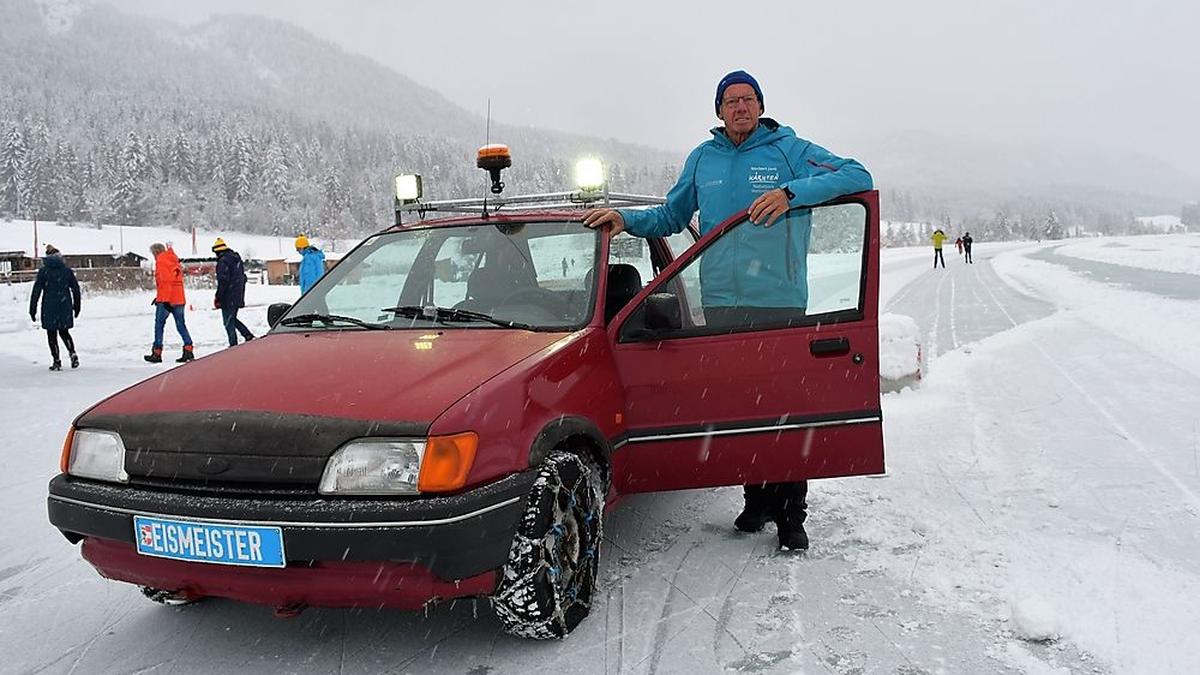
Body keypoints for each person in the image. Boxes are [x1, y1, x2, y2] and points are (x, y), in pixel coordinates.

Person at [584, 69, 873, 551]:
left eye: (749, 99)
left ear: (761, 106)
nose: (741, 107)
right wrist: (626, 220)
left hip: (779, 300)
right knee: (738, 405)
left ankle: (791, 514)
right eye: (731, 101)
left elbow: (857, 175)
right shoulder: (704, 159)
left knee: (783, 408)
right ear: (718, 111)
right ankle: (756, 499)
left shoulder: (790, 151)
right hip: (721, 301)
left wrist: (790, 194)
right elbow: (672, 216)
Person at [29, 244, 81, 371]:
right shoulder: (66, 271)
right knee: (64, 332)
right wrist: (77, 305)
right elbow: (75, 289)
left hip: (49, 306)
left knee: (51, 334)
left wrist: (32, 308)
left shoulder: (44, 271)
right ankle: (72, 353)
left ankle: (57, 360)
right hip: (65, 306)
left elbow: (36, 290)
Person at [144, 243, 195, 363]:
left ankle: (157, 352)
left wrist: (164, 299)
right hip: (179, 299)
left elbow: (165, 282)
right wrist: (158, 297)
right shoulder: (174, 260)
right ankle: (188, 349)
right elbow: (172, 281)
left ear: (156, 252)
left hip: (167, 300)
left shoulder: (161, 261)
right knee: (180, 325)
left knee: (159, 325)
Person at [213, 237, 255, 346]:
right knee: (232, 319)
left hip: (228, 296)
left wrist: (218, 297)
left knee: (228, 322)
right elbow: (242, 277)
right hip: (238, 294)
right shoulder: (236, 260)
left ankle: (233, 345)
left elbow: (223, 281)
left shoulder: (223, 262)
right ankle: (247, 335)